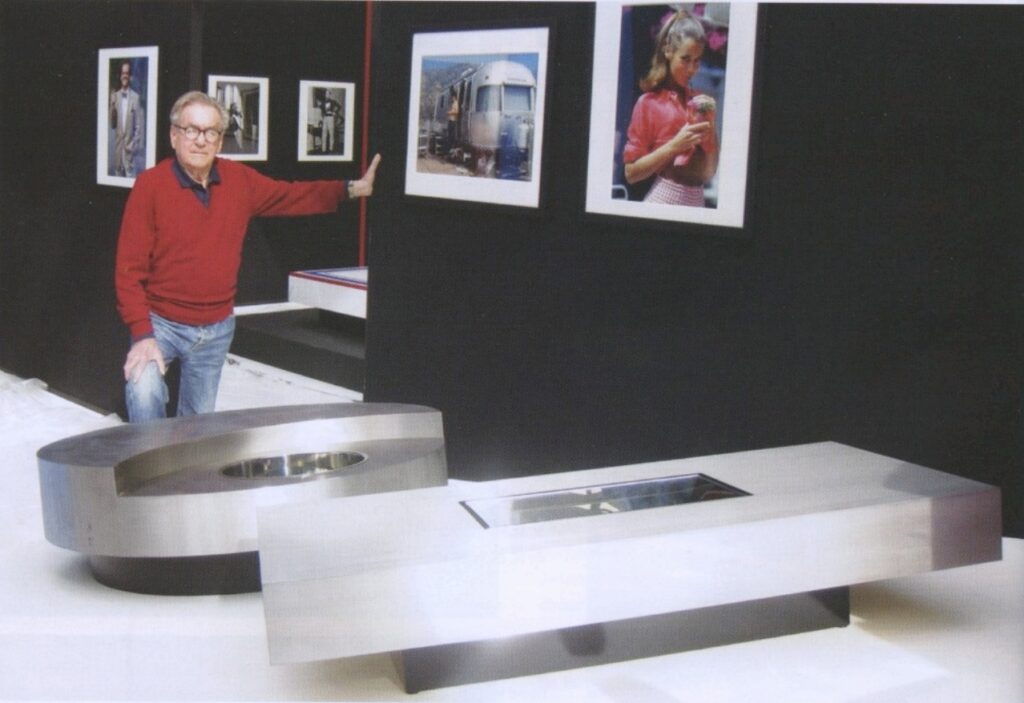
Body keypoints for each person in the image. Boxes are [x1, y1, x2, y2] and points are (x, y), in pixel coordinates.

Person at [115, 90, 381, 422]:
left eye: (210, 132)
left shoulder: (238, 180)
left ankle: (183, 471)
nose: (200, 140)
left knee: (197, 426)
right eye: (191, 130)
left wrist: (352, 188)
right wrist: (142, 334)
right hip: (162, 324)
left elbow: (292, 195)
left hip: (215, 329)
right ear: (174, 135)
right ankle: (148, 465)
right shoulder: (150, 186)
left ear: (220, 141)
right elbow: (128, 271)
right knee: (143, 392)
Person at [623, 9, 718, 207]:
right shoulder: (648, 103)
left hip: (697, 203)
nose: (692, 69)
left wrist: (710, 138)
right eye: (685, 59)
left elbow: (708, 173)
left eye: (697, 60)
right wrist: (676, 145)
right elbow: (631, 174)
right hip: (664, 200)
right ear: (668, 51)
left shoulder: (700, 102)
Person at [109, 60, 144, 178]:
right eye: (123, 73)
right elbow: (113, 125)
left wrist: (132, 146)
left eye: (127, 73)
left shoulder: (136, 97)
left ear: (130, 76)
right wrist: (112, 107)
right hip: (118, 153)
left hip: (130, 153)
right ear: (120, 76)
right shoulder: (115, 96)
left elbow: (139, 127)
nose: (125, 76)